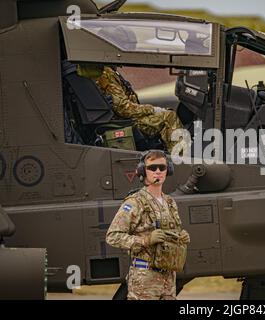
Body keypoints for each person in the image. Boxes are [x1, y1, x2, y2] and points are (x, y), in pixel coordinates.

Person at [106, 150, 190, 300]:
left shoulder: (170, 203)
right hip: (144, 278)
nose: (158, 171)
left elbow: (172, 233)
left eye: (162, 167)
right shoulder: (135, 202)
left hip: (168, 277)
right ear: (143, 171)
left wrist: (180, 237)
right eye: (152, 168)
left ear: (168, 170)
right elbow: (113, 236)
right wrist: (145, 240)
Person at [77, 64, 185, 153]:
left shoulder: (105, 72)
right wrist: (152, 109)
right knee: (169, 116)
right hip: (124, 122)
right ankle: (182, 159)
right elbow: (124, 109)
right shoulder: (107, 75)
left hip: (120, 119)